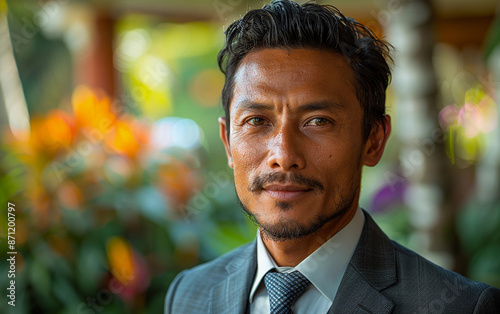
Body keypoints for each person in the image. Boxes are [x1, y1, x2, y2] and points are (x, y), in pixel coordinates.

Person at [164, 1, 500, 313]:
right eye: (257, 121)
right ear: (227, 142)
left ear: (374, 140)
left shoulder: (461, 306)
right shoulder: (189, 294)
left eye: (318, 122)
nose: (284, 156)